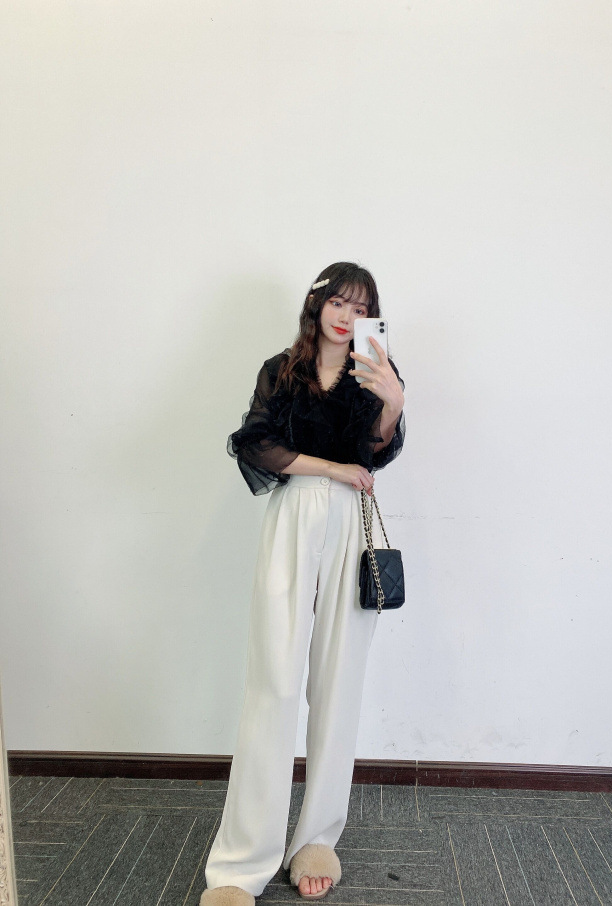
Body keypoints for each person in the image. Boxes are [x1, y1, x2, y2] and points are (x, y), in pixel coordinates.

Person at [201, 262, 406, 905]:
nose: (347, 316)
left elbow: (377, 449)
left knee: (339, 681)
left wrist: (394, 404)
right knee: (274, 683)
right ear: (317, 304)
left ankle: (317, 838)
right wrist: (332, 469)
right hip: (294, 518)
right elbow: (256, 444)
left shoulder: (375, 370)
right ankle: (241, 864)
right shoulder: (281, 370)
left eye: (361, 307)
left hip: (350, 526)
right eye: (338, 301)